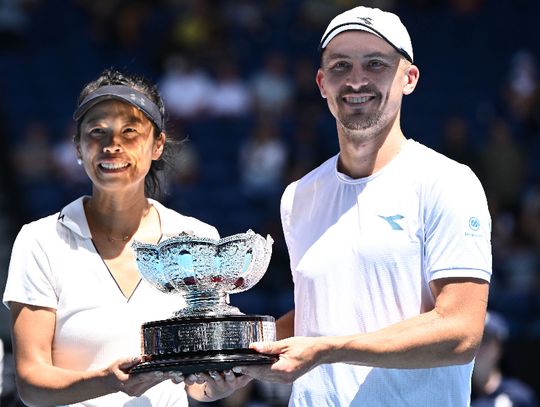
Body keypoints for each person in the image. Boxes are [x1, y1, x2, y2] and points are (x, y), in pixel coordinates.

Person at [236, 6, 492, 406]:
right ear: (322, 83)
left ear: (409, 78)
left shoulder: (448, 182)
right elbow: (316, 318)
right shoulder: (298, 196)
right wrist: (234, 354)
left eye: (375, 64)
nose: (356, 80)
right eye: (340, 66)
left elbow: (461, 331)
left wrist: (330, 349)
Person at [2, 68, 251, 406]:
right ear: (78, 146)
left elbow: (196, 383)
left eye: (130, 132)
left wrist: (214, 387)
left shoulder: (197, 237)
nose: (112, 146)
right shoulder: (39, 240)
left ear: (157, 144)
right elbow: (32, 383)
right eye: (96, 132)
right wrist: (108, 381)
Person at [471, 311, 538, 407]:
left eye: (485, 339)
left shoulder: (519, 397)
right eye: (474, 339)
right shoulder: (456, 395)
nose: (479, 347)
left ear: (499, 348)